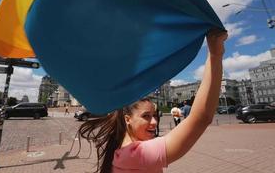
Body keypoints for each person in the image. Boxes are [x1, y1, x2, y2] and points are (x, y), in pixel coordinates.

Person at [78, 29, 227, 173]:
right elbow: (202, 118)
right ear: (127, 119)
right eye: (146, 116)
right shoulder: (137, 154)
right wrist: (215, 54)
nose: (155, 122)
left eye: (154, 115)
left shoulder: (120, 146)